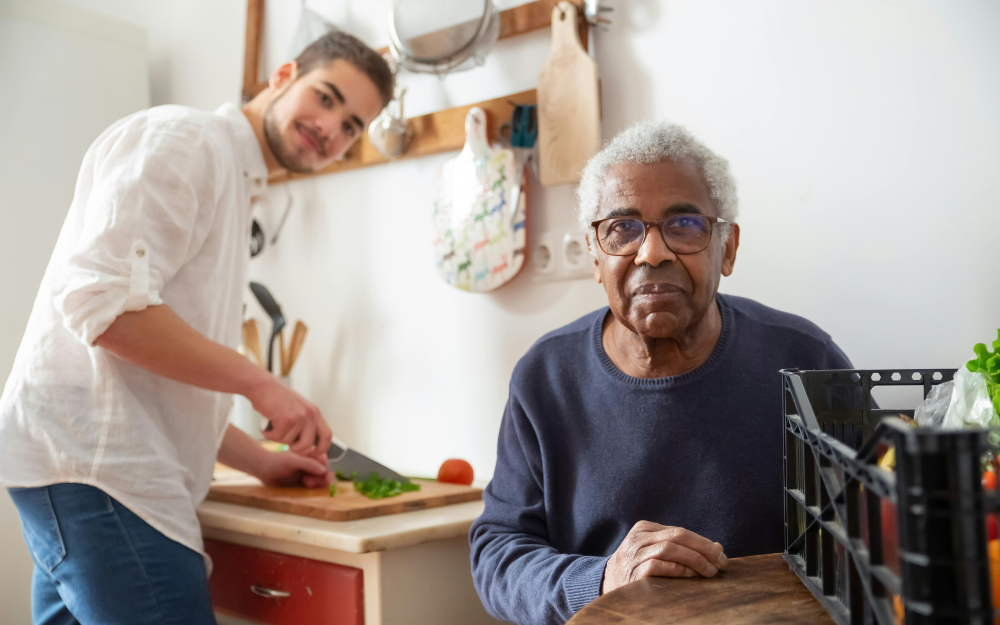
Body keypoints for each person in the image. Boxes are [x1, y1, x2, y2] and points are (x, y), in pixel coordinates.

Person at [0, 31, 392, 624]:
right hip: (104, 479)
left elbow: (151, 374)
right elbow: (99, 306)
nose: (332, 129)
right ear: (282, 76)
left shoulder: (232, 181)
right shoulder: (188, 142)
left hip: (85, 471)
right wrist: (261, 383)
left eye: (353, 126)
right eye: (327, 97)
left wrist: (258, 461)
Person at [469, 121, 855, 625]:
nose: (652, 253)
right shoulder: (546, 377)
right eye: (622, 228)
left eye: (685, 226)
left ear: (728, 248)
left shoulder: (807, 360)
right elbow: (498, 552)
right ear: (594, 253)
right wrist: (606, 579)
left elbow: (872, 531)